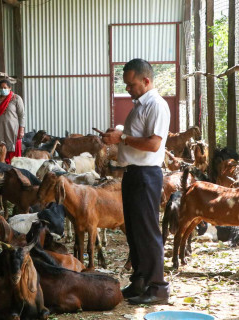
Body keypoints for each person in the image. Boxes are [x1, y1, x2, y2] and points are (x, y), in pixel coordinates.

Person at [101, 58, 170, 305]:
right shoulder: (139, 105)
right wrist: (118, 137)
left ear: (146, 80)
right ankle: (140, 280)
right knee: (134, 231)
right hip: (132, 173)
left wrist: (123, 138)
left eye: (131, 84)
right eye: (126, 84)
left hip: (146, 175)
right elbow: (131, 137)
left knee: (148, 231)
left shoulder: (157, 105)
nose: (127, 89)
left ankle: (158, 287)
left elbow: (153, 144)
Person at [0, 79, 25, 164]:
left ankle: (13, 166)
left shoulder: (16, 98)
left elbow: (22, 115)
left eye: (5, 87)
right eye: (1, 88)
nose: (3, 89)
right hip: (0, 129)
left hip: (13, 129)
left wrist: (22, 130)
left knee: (12, 147)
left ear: (10, 88)